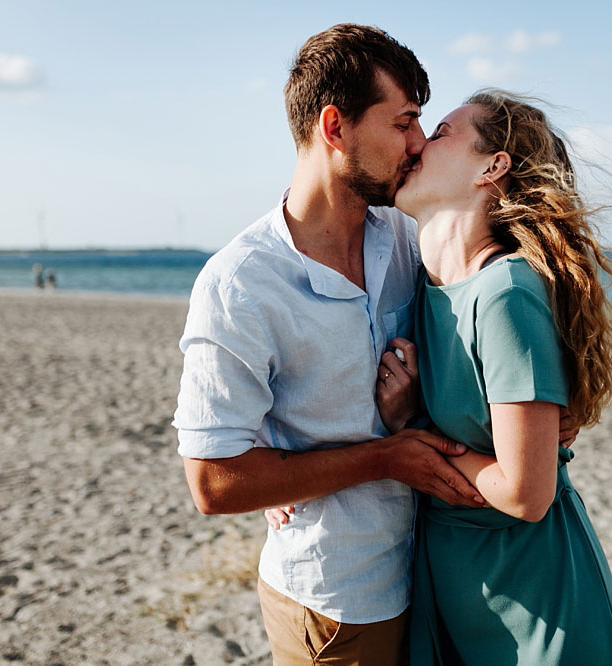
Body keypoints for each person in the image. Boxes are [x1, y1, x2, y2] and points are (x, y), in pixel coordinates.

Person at [173, 25, 486, 665]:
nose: (419, 143)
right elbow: (213, 480)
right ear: (334, 126)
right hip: (339, 601)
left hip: (435, 567)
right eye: (403, 123)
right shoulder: (240, 283)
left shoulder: (406, 235)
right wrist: (382, 458)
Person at [393, 91, 612, 664]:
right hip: (458, 590)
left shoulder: (504, 294)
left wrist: (412, 444)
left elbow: (527, 494)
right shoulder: (419, 286)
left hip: (538, 606)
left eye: (443, 132)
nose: (419, 143)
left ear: (491, 167)